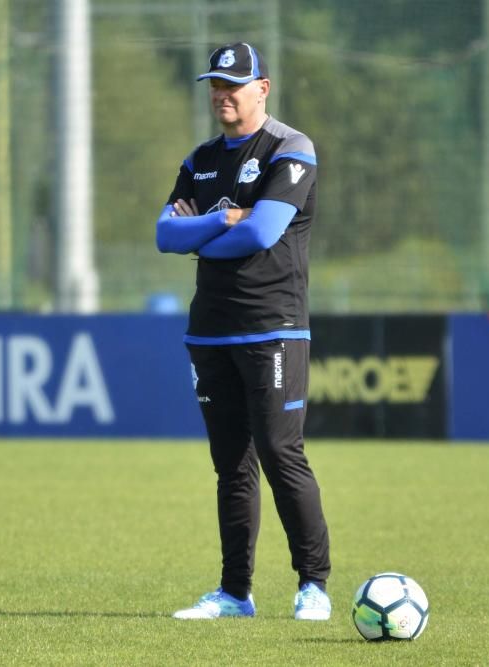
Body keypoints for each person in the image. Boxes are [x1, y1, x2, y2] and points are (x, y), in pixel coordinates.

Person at [155, 42, 331, 621]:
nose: (222, 94)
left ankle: (313, 585)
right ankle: (235, 594)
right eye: (215, 84)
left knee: (281, 453)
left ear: (263, 87)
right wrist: (222, 219)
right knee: (231, 464)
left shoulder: (290, 149)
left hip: (272, 327)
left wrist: (202, 231)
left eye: (234, 84)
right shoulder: (200, 157)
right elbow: (163, 235)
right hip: (210, 330)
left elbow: (262, 234)